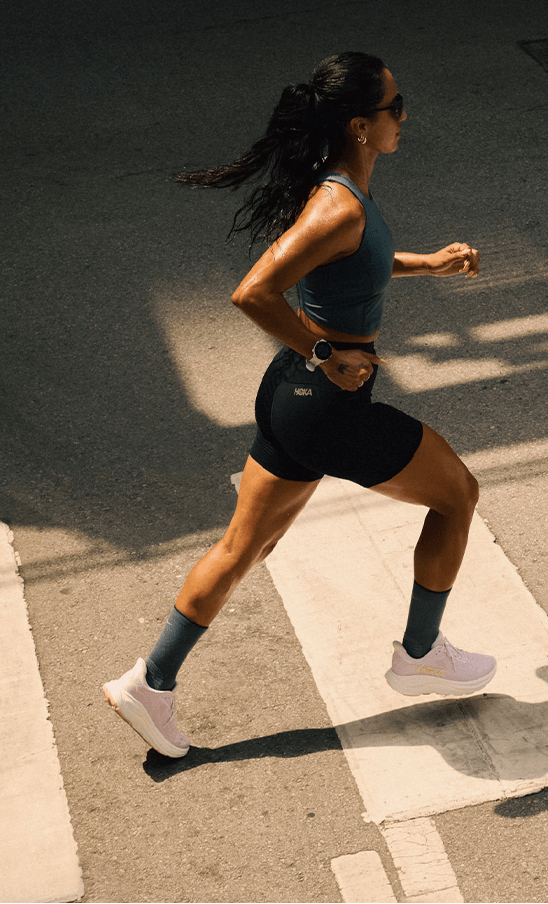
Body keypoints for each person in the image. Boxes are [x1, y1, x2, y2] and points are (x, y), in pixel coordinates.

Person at [103, 52, 495, 759]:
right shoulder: (337, 202)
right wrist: (326, 353)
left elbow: (359, 257)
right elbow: (252, 291)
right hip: (324, 402)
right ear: (360, 124)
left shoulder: (344, 193)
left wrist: (427, 261)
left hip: (294, 398)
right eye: (394, 107)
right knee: (457, 495)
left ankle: (149, 682)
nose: (404, 117)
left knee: (243, 546)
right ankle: (419, 651)